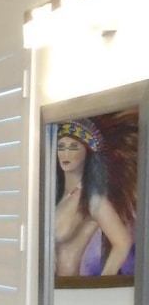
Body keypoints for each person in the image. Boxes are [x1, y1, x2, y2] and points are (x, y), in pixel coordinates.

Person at [54, 116, 135, 278]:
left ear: (87, 152)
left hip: (70, 289)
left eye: (74, 147)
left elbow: (123, 242)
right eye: (61, 147)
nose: (66, 153)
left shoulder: (92, 199)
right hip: (44, 290)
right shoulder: (55, 195)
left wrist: (104, 282)